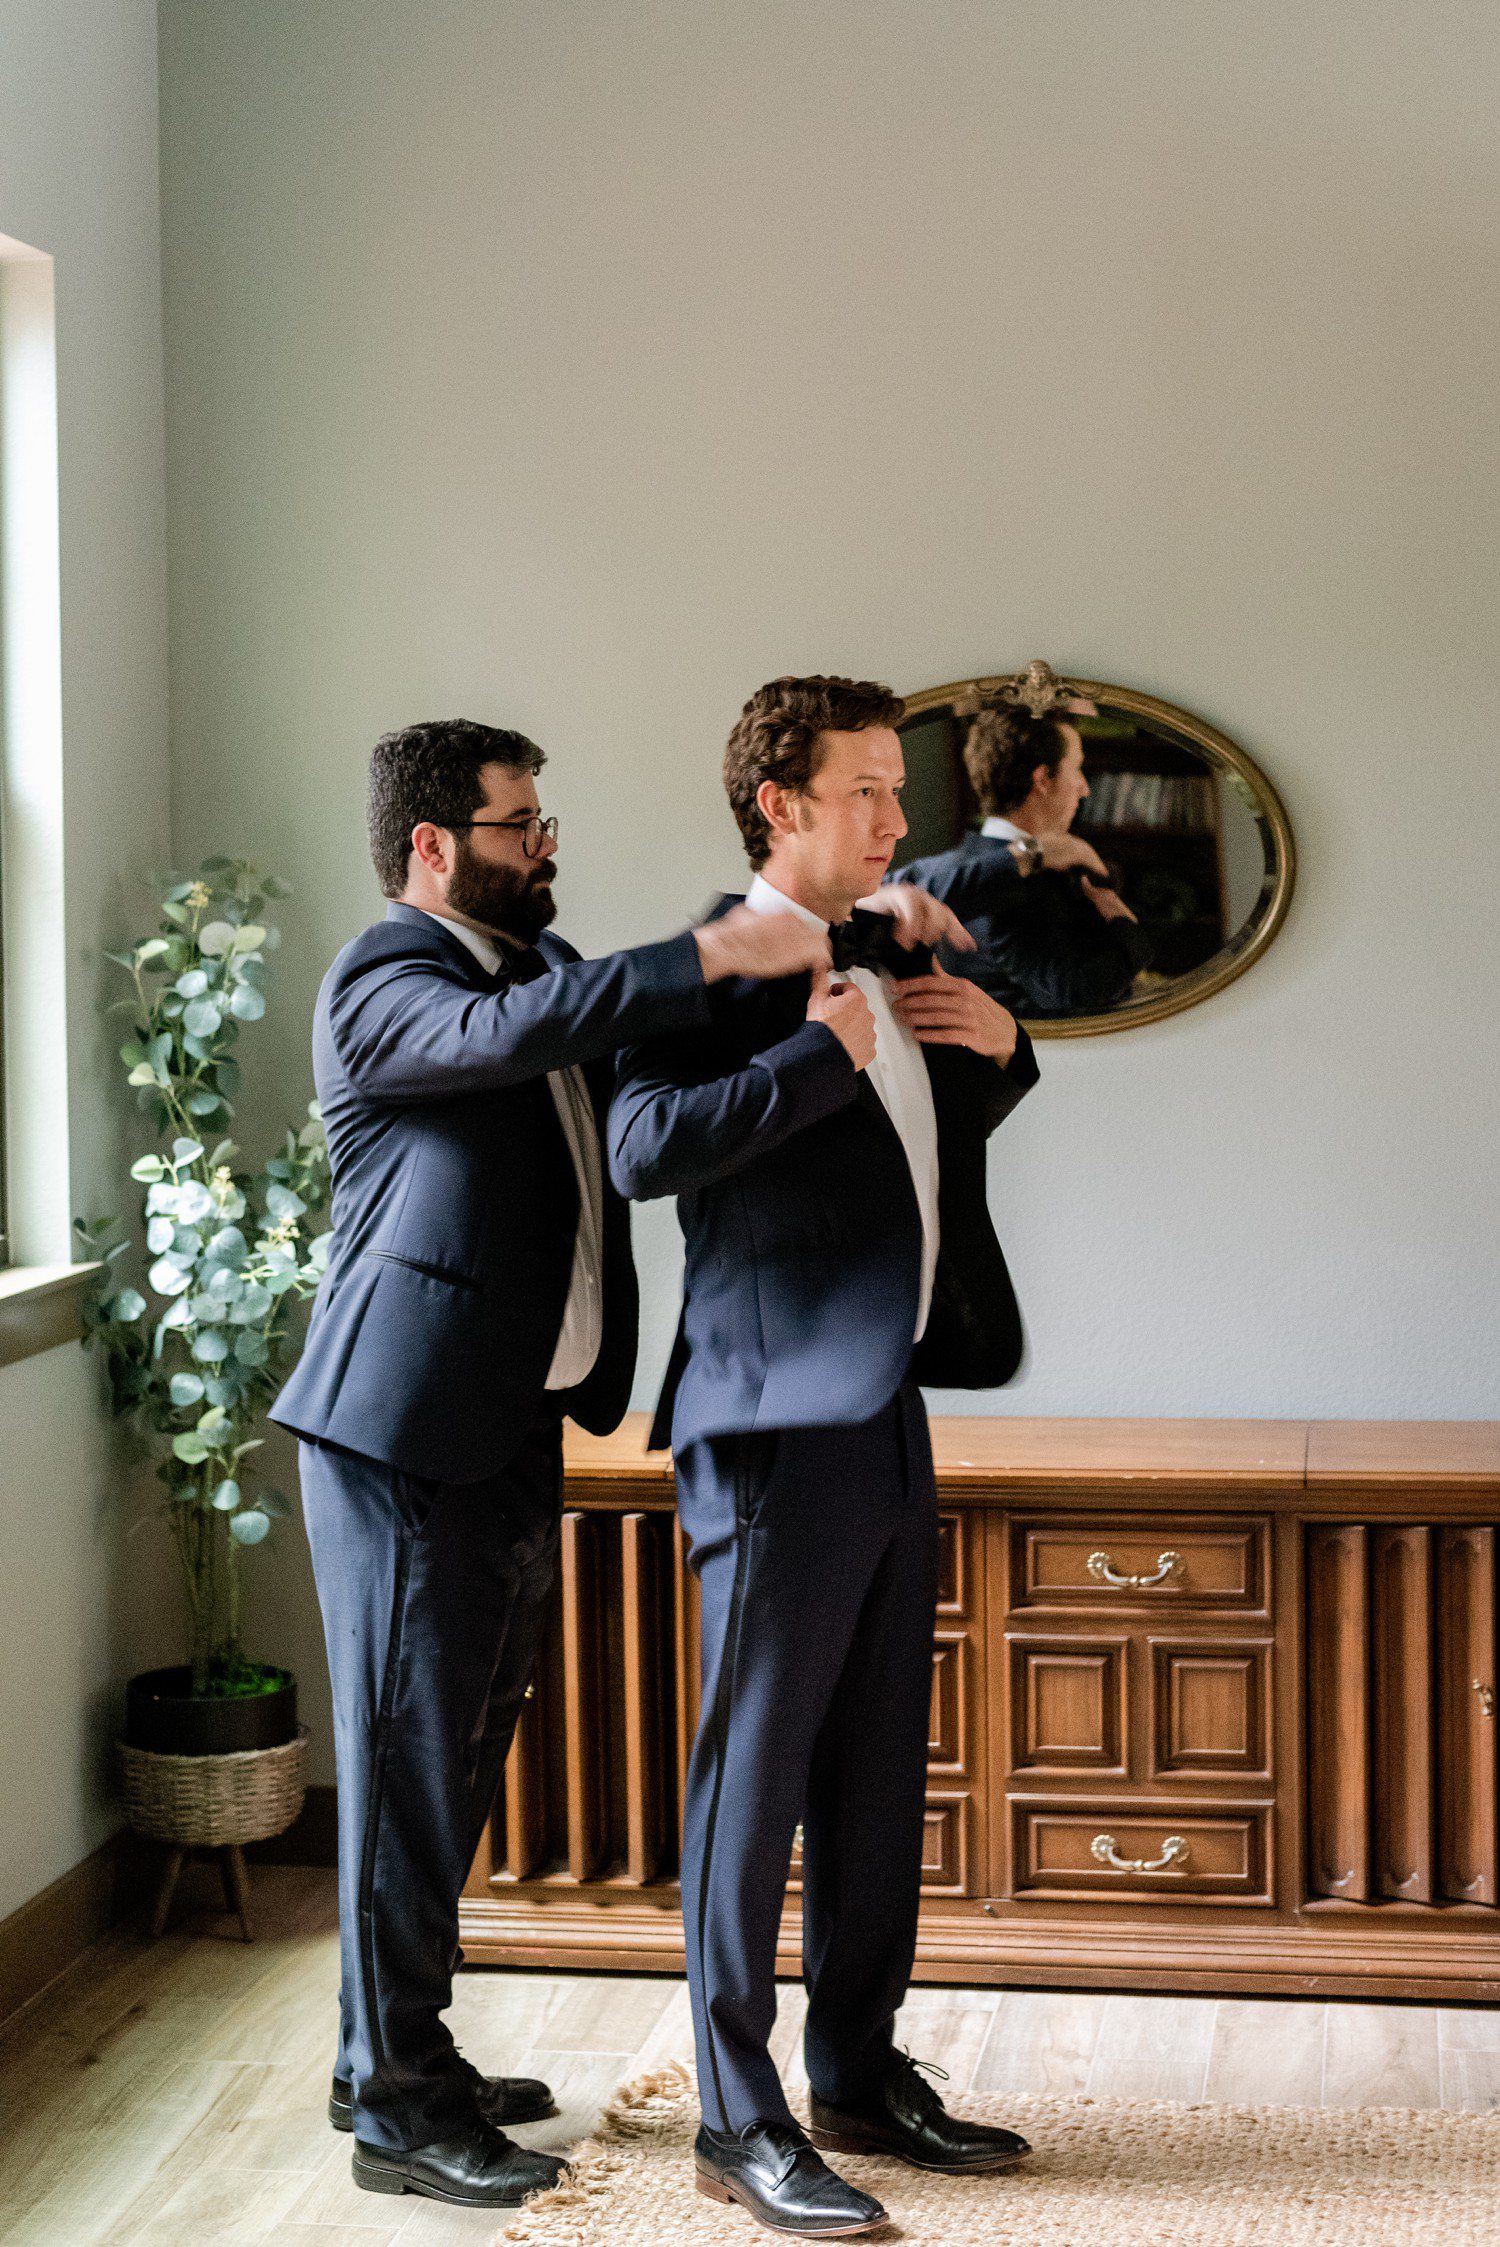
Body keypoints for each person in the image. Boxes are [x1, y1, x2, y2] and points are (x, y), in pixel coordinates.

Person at [269, 717, 841, 2210]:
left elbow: (592, 1048)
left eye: (544, 818)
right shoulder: (385, 980)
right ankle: (398, 2108)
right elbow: (527, 1039)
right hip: (398, 1431)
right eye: (521, 823)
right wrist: (709, 955)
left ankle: (389, 2050)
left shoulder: (535, 968)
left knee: (455, 1753)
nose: (548, 841)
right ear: (435, 846)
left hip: (511, 1420)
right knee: (406, 1765)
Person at [609, 676, 1039, 2239]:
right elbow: (642, 1148)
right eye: (867, 788)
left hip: (889, 1406)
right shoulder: (711, 967)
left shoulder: (897, 940)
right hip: (772, 1421)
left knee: (873, 1768)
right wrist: (817, 1057)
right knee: (757, 1774)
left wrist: (1003, 1046)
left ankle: (859, 2069)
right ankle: (738, 2115)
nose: (899, 815)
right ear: (780, 804)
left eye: (897, 790)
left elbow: (922, 1145)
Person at [893, 700, 1152, 1017]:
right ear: (1042, 779)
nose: (1084, 788)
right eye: (1077, 769)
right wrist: (1127, 929)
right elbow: (1071, 994)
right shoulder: (1016, 888)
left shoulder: (960, 861)